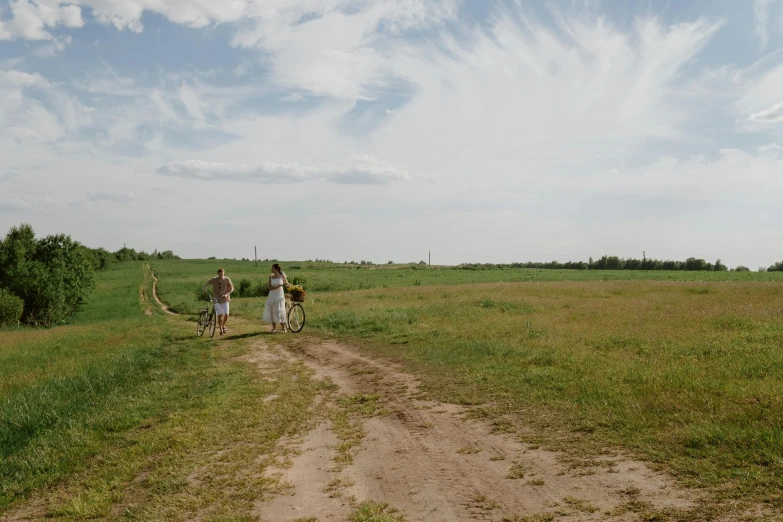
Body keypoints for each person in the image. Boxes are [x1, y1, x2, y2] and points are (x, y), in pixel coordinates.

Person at [203, 268, 234, 335]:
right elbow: (205, 284)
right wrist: (204, 290)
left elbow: (232, 288)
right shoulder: (214, 279)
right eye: (220, 274)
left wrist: (227, 294)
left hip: (225, 299)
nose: (221, 276)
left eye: (222, 274)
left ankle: (223, 326)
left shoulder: (227, 279)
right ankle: (220, 329)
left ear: (224, 274)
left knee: (226, 314)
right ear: (218, 274)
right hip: (216, 299)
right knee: (220, 315)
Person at [262, 263, 289, 333]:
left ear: (277, 269)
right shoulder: (270, 277)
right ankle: (274, 328)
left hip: (279, 295)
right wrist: (278, 286)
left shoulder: (281, 275)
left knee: (279, 310)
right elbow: (269, 287)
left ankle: (283, 328)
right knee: (272, 311)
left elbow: (286, 283)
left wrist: (293, 288)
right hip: (272, 295)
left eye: (273, 268)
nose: (271, 269)